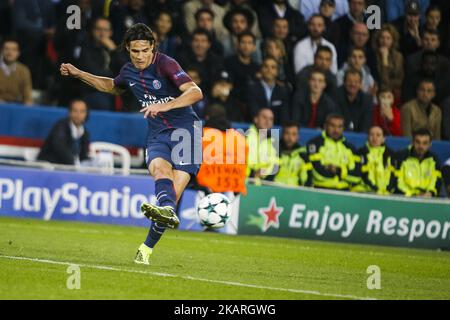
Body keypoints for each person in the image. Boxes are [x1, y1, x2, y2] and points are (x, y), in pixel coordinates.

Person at [60, 23, 204, 264]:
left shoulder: (166, 63)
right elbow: (112, 87)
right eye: (135, 51)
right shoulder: (128, 71)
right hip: (158, 132)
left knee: (172, 194)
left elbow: (195, 92)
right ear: (128, 48)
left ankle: (146, 248)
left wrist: (163, 105)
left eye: (144, 51)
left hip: (188, 131)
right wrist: (79, 74)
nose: (140, 56)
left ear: (152, 49)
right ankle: (166, 211)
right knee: (159, 170)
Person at [196, 104, 248, 195]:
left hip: (204, 192)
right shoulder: (240, 138)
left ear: (207, 117)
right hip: (234, 194)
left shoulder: (201, 135)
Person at [307, 113, 362, 190]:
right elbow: (317, 173)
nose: (336, 130)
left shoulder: (351, 148)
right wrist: (345, 174)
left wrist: (337, 171)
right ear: (325, 126)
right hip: (321, 190)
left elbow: (357, 177)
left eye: (339, 127)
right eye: (332, 126)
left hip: (344, 192)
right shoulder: (315, 144)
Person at [78, 17, 118, 111]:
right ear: (93, 31)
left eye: (105, 30)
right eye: (98, 29)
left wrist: (114, 51)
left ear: (110, 32)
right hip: (93, 92)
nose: (102, 33)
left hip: (114, 92)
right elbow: (94, 74)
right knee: (101, 101)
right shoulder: (86, 49)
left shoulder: (114, 48)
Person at [37, 99, 90, 165]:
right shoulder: (61, 127)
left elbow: (83, 156)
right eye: (75, 110)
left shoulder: (85, 133)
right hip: (48, 165)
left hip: (68, 167)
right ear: (69, 113)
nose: (78, 114)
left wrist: (89, 163)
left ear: (86, 114)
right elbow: (60, 148)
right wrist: (74, 164)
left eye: (82, 111)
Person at [395, 128, 442, 197]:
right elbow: (398, 182)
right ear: (412, 142)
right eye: (417, 142)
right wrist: (413, 195)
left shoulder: (434, 160)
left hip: (428, 199)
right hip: (406, 198)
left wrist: (430, 193)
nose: (421, 146)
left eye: (425, 143)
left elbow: (436, 181)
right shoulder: (402, 157)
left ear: (430, 144)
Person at [177, 28, 224, 96]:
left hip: (210, 97)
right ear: (191, 43)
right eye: (196, 41)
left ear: (209, 44)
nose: (199, 45)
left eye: (203, 41)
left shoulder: (216, 61)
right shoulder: (181, 60)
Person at [246, 57, 291, 125]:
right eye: (266, 66)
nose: (269, 70)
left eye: (273, 67)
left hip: (276, 130)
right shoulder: (252, 88)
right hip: (256, 128)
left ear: (277, 72)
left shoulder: (283, 91)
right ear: (261, 69)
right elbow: (253, 112)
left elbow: (284, 116)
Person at [354, 126, 396, 194]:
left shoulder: (391, 154)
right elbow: (360, 175)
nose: (374, 138)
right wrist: (374, 189)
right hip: (366, 192)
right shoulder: (360, 153)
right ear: (368, 137)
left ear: (383, 139)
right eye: (371, 134)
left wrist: (388, 189)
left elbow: (394, 176)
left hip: (386, 194)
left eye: (378, 135)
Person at [274, 121, 312, 187]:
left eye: (294, 134)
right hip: (273, 188)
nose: (290, 137)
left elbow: (307, 177)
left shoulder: (302, 154)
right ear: (282, 134)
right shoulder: (273, 149)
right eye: (287, 133)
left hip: (294, 192)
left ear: (298, 136)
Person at [246, 108, 279, 183]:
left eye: (271, 119)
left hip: (264, 187)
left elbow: (274, 166)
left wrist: (263, 173)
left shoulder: (274, 142)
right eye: (264, 117)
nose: (267, 121)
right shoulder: (244, 136)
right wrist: (252, 174)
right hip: (244, 182)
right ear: (256, 119)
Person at [372, 24, 404, 97]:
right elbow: (383, 83)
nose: (385, 41)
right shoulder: (373, 56)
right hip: (377, 93)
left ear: (393, 40)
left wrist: (387, 83)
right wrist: (384, 59)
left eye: (388, 38)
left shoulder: (398, 56)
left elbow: (400, 80)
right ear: (378, 39)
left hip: (394, 94)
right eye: (382, 38)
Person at [336, 68, 373, 133]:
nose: (353, 84)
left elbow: (365, 125)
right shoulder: (335, 96)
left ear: (360, 83)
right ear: (344, 82)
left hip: (358, 137)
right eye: (349, 81)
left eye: (356, 82)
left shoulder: (367, 100)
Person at [0, 37, 33, 105]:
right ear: (2, 51)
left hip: (16, 107)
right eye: (7, 49)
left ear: (18, 53)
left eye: (14, 49)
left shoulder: (24, 70)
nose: (10, 52)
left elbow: (27, 97)